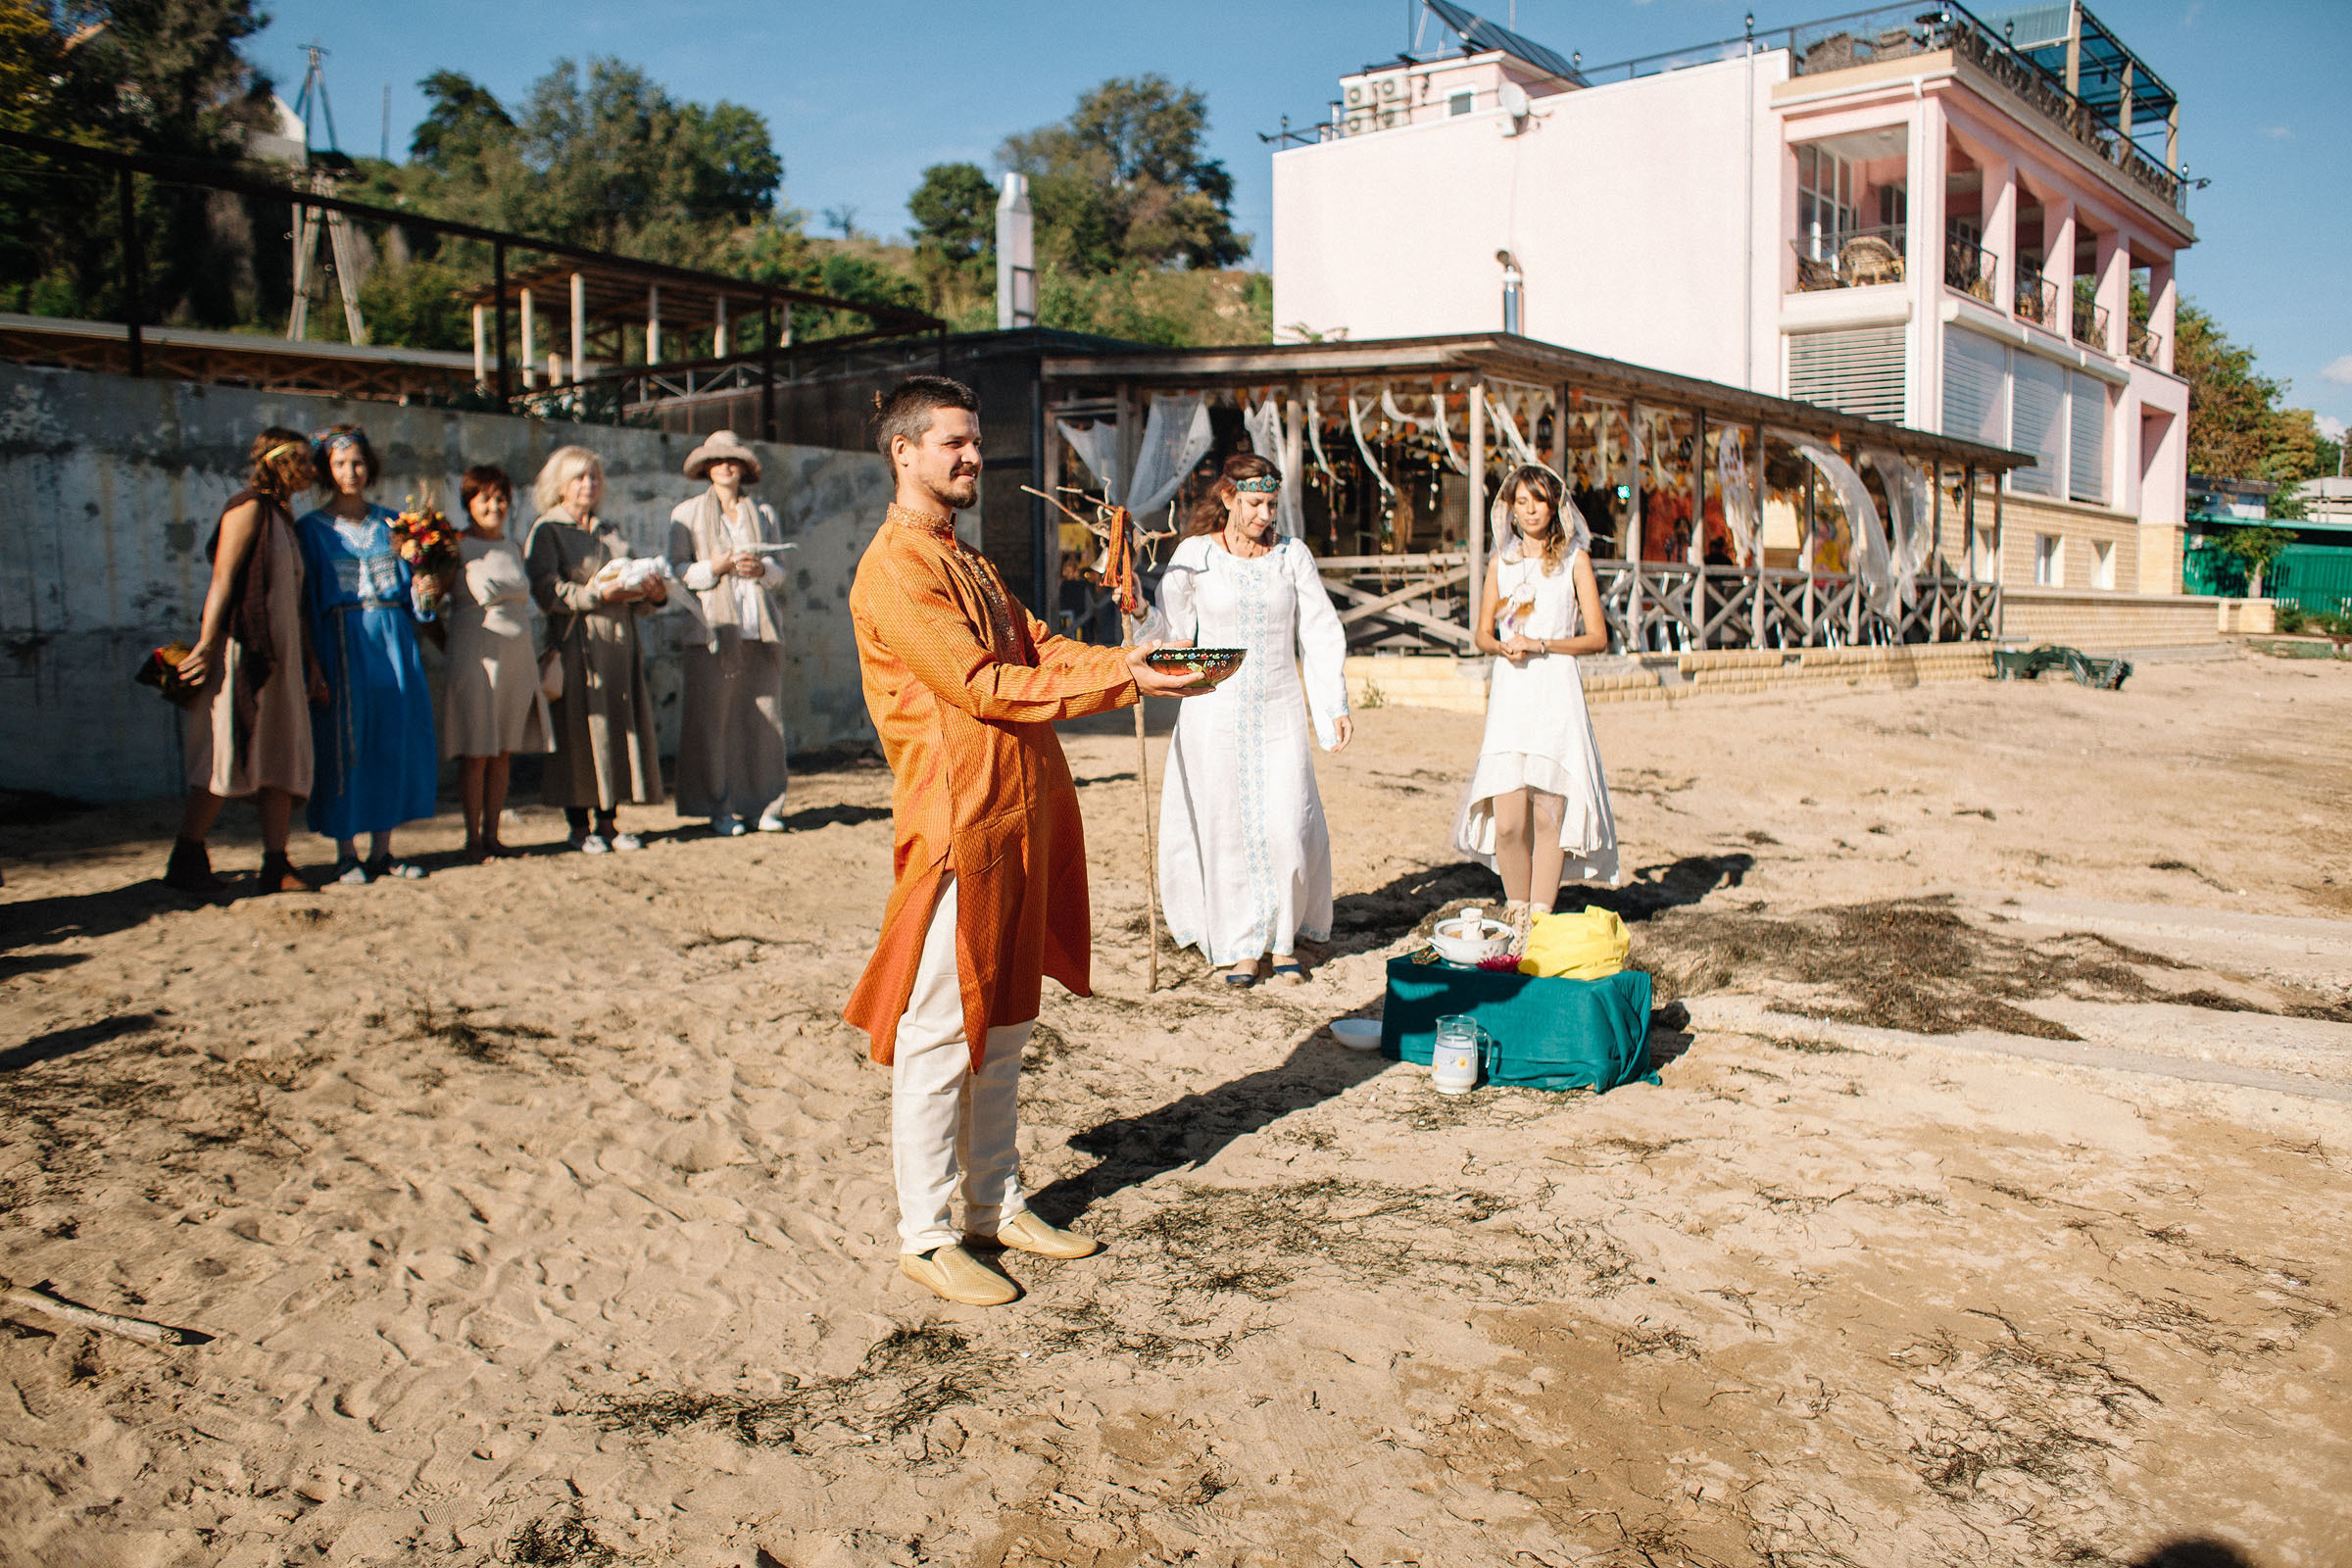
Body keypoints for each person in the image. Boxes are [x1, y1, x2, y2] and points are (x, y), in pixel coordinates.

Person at [842, 374, 1206, 1308]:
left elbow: (1036, 648)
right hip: (956, 820)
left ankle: (991, 1200)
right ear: (905, 452)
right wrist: (1125, 684)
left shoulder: (969, 559)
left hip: (1021, 808)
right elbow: (981, 683)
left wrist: (1136, 663)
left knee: (1005, 1023)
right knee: (937, 1032)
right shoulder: (895, 567)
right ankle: (925, 1234)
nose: (971, 457)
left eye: (973, 442)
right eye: (953, 443)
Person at [1153, 453, 1352, 988]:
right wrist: (1134, 613)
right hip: (1213, 711)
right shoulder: (1194, 557)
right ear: (1227, 499)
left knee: (1288, 821)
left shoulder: (1292, 557)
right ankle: (1243, 945)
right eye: (1255, 503)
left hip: (1279, 709)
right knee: (1229, 829)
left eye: (1271, 503)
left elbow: (1320, 631)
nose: (1266, 514)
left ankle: (1283, 940)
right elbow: (1171, 634)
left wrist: (1331, 705)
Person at [1452, 464, 1619, 924]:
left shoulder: (1574, 561)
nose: (1529, 511)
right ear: (1509, 509)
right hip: (1511, 693)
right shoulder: (1500, 564)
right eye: (1520, 503)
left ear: (1554, 506)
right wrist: (1501, 645)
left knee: (1548, 817)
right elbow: (1482, 633)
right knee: (1508, 821)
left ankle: (1539, 917)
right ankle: (1516, 907)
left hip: (1555, 690)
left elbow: (1598, 636)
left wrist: (1543, 644)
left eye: (1538, 502)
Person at [165, 428, 326, 895]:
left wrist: (310, 662)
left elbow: (295, 603)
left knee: (278, 752)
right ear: (281, 462)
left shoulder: (283, 517)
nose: (312, 472)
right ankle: (188, 855)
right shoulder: (248, 506)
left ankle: (276, 862)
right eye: (304, 462)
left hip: (283, 657)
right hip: (244, 653)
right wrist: (208, 644)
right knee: (224, 751)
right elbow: (223, 581)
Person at [296, 424, 441, 885]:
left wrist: (426, 588)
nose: (350, 471)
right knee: (346, 742)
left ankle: (384, 850)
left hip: (394, 638)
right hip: (342, 640)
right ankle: (346, 850)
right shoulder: (311, 530)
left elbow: (419, 595)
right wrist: (312, 663)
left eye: (357, 462)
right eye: (339, 463)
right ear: (325, 470)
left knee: (390, 737)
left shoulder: (395, 525)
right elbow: (304, 603)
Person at [525, 445, 666, 854]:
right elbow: (546, 590)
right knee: (579, 730)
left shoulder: (609, 530)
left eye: (594, 477)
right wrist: (596, 593)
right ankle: (579, 825)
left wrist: (653, 595)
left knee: (618, 730)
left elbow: (633, 590)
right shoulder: (548, 530)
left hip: (619, 644)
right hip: (577, 645)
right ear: (561, 484)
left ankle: (609, 821)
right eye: (579, 477)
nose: (589, 485)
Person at [667, 429, 791, 837]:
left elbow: (780, 572)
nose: (725, 466)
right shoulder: (686, 513)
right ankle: (718, 808)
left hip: (758, 628)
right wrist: (715, 568)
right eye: (717, 460)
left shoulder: (764, 512)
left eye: (733, 460)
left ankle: (765, 805)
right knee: (712, 722)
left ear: (743, 468)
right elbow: (678, 571)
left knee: (764, 723)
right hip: (712, 632)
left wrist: (763, 570)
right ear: (706, 467)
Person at [444, 464, 551, 860]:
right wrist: (453, 647)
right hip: (476, 655)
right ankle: (472, 838)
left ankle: (494, 834)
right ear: (468, 502)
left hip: (516, 658)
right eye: (485, 497)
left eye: (501, 497)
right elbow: (427, 606)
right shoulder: (453, 547)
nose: (495, 506)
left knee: (504, 750)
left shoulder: (512, 545)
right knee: (477, 751)